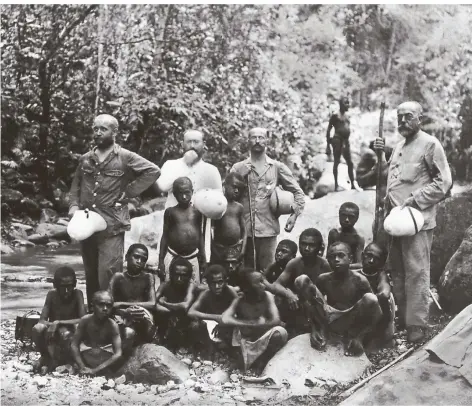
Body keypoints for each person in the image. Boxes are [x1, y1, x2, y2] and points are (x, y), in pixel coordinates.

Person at [373, 101, 452, 342]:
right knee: (397, 269)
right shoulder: (398, 146)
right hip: (395, 220)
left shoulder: (430, 144)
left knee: (416, 271)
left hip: (417, 219)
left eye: (408, 116)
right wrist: (380, 155)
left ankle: (417, 325)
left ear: (420, 118)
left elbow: (444, 182)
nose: (403, 121)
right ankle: (402, 319)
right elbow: (393, 179)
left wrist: (415, 200)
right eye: (400, 117)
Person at [68, 114, 160, 307]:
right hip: (87, 225)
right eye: (95, 128)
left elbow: (153, 171)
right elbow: (76, 184)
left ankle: (112, 315)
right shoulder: (86, 159)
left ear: (115, 132)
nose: (98, 133)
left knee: (108, 273)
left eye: (103, 129)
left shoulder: (125, 157)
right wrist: (74, 206)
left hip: (112, 225)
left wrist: (127, 193)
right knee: (91, 273)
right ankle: (94, 317)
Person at [230, 127, 305, 271]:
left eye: (261, 137)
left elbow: (298, 192)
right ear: (248, 141)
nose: (257, 141)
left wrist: (294, 215)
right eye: (253, 137)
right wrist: (240, 177)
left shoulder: (277, 167)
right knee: (243, 273)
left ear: (267, 141)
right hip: (242, 231)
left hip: (268, 230)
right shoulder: (237, 167)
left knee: (267, 272)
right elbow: (226, 196)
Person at [295, 242, 382, 356]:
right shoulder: (324, 279)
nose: (336, 260)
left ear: (350, 258)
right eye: (332, 257)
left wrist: (360, 337)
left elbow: (377, 312)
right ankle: (321, 330)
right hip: (329, 318)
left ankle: (352, 337)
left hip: (350, 320)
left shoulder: (359, 280)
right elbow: (313, 304)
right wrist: (314, 328)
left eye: (341, 255)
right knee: (302, 280)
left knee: (370, 298)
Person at [221, 268, 288, 373]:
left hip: (262, 337)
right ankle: (241, 360)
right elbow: (225, 318)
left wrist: (258, 325)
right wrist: (250, 323)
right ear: (248, 288)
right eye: (259, 282)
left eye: (263, 281)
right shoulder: (240, 300)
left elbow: (276, 320)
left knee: (279, 333)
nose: (264, 285)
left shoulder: (268, 296)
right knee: (228, 329)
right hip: (247, 339)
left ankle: (264, 361)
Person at [271, 229, 331, 335]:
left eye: (311, 245)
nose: (307, 248)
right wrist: (288, 294)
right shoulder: (295, 263)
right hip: (297, 306)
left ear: (319, 247)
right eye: (303, 244)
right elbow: (276, 285)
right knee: (278, 297)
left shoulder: (325, 265)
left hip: (317, 308)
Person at [32, 266, 86, 373]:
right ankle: (45, 356)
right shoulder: (52, 295)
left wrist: (59, 322)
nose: (66, 291)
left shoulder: (77, 294)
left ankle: (67, 360)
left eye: (70, 286)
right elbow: (42, 321)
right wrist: (52, 325)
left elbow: (83, 320)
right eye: (63, 287)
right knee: (37, 329)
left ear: (75, 284)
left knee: (66, 333)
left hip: (70, 332)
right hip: (53, 331)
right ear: (55, 285)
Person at [70, 291, 134, 376]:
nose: (105, 309)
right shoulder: (85, 320)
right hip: (87, 354)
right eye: (101, 304)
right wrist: (82, 367)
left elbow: (118, 353)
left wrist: (95, 370)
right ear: (93, 306)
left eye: (109, 306)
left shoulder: (112, 325)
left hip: (104, 357)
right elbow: (74, 344)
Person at [158, 129, 222, 209]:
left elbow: (219, 200)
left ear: (203, 144)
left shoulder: (211, 170)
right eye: (188, 142)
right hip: (173, 218)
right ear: (182, 144)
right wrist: (185, 163)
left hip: (200, 218)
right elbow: (162, 187)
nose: (192, 146)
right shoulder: (170, 164)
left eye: (196, 142)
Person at [158, 177, 205, 283]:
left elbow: (200, 235)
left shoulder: (197, 212)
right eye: (180, 193)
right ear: (174, 194)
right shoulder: (170, 212)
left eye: (187, 192)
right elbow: (165, 236)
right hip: (173, 255)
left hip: (192, 257)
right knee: (169, 287)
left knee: (193, 289)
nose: (184, 196)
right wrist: (161, 261)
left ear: (192, 192)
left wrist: (203, 260)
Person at [108, 243, 156, 344]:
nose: (139, 262)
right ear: (127, 257)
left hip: (141, 316)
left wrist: (122, 304)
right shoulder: (118, 277)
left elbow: (152, 303)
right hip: (122, 315)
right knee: (127, 332)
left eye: (143, 260)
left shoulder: (148, 277)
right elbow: (107, 302)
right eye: (136, 257)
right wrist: (124, 311)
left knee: (145, 328)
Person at [188, 264, 239, 351]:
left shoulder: (230, 291)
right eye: (213, 283)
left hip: (229, 324)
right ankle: (206, 350)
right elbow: (191, 312)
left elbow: (240, 312)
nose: (217, 287)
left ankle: (230, 350)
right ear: (208, 283)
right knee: (195, 325)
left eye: (220, 282)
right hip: (212, 324)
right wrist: (216, 318)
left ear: (225, 281)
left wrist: (223, 322)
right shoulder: (206, 293)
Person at [155, 257, 201, 351]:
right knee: (159, 312)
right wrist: (168, 310)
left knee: (195, 325)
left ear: (189, 276)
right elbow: (153, 302)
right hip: (171, 319)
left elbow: (185, 306)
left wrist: (164, 303)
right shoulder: (165, 285)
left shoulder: (191, 286)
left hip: (187, 320)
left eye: (183, 275)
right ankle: (163, 341)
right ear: (171, 274)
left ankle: (191, 348)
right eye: (176, 275)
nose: (179, 279)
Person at [211, 173, 247, 282]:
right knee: (220, 275)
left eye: (239, 189)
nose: (236, 191)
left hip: (236, 248)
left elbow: (244, 230)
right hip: (219, 249)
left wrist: (243, 249)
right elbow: (209, 230)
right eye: (234, 187)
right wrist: (214, 249)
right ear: (224, 185)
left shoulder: (239, 207)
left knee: (236, 276)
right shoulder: (218, 205)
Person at [357, 243, 395, 346]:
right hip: (356, 312)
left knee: (385, 298)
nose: (371, 261)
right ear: (362, 256)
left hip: (376, 315)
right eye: (368, 256)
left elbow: (385, 292)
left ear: (382, 264)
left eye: (376, 259)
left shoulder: (380, 275)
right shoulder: (355, 272)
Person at [326, 96, 356, 191]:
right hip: (337, 140)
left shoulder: (347, 116)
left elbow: (347, 128)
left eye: (348, 103)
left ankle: (352, 184)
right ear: (340, 104)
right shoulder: (335, 116)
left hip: (345, 141)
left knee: (350, 163)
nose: (348, 105)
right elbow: (329, 129)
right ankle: (336, 185)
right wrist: (328, 145)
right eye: (345, 103)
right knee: (336, 162)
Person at [327, 202, 365, 269]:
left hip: (350, 271)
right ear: (339, 216)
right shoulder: (334, 233)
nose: (347, 220)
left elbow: (360, 264)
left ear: (356, 218)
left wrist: (343, 266)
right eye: (344, 216)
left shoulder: (358, 238)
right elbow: (328, 257)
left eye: (351, 217)